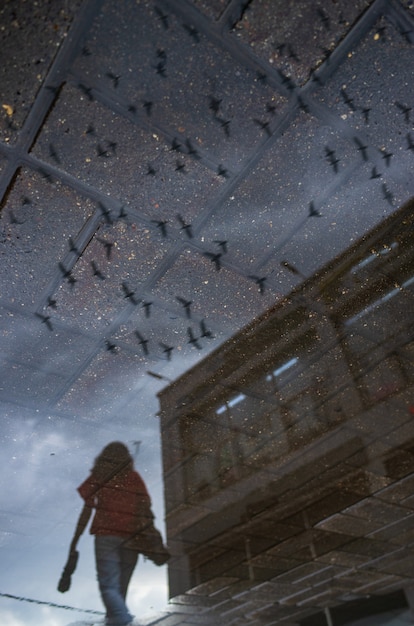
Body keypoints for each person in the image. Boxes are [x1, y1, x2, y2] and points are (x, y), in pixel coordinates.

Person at [70, 442, 153, 626]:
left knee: (109, 585)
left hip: (106, 536)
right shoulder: (133, 477)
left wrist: (75, 541)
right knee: (121, 586)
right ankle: (117, 619)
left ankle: (121, 620)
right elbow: (145, 506)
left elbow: (87, 509)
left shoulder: (99, 476)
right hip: (131, 538)